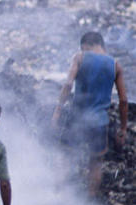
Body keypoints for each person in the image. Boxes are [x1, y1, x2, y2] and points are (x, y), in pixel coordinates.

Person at [51, 31, 128, 196]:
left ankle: (58, 195)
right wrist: (123, 129)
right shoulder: (116, 65)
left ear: (86, 45)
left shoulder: (80, 57)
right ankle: (90, 199)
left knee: (65, 157)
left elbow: (68, 84)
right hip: (100, 123)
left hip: (77, 118)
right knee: (95, 163)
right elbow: (123, 101)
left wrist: (57, 110)